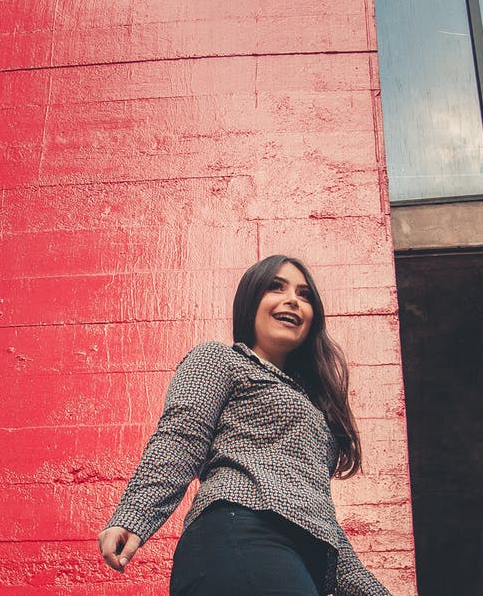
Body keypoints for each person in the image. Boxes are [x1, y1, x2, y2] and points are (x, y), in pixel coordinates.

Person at [97, 255, 392, 595]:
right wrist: (134, 515)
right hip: (242, 535)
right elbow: (181, 437)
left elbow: (320, 522)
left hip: (298, 560)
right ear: (251, 299)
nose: (293, 300)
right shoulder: (220, 359)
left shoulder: (315, 410)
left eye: (305, 294)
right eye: (275, 287)